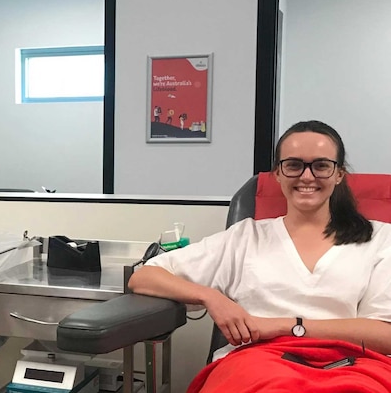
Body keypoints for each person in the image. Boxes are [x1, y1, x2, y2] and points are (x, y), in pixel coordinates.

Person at [129, 120, 391, 390]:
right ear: (278, 174)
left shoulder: (381, 239)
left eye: (321, 165)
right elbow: (145, 276)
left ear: (339, 174)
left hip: (354, 366)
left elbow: (385, 334)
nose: (307, 176)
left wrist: (284, 326)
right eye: (294, 165)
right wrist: (211, 297)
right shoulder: (246, 237)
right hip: (258, 362)